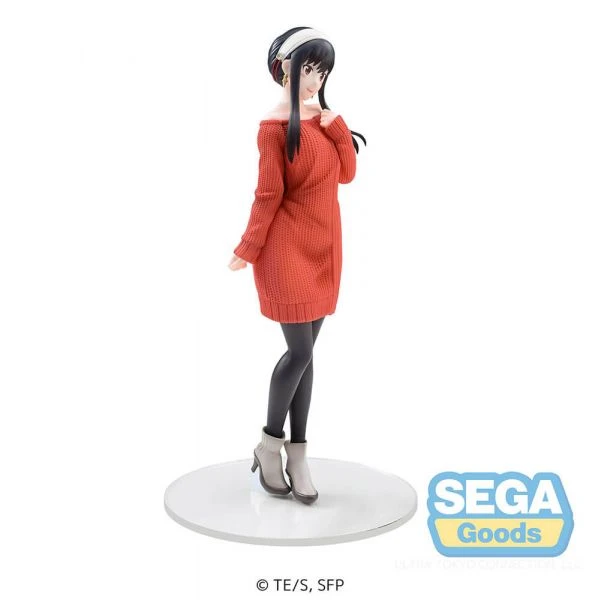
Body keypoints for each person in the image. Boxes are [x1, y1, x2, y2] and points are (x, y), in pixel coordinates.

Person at [228, 27, 365, 504]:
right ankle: (270, 447)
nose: (315, 80)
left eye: (322, 72)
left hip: (325, 249)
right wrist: (248, 247)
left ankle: (298, 454)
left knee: (307, 356)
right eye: (308, 69)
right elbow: (268, 193)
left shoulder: (324, 121)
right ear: (284, 68)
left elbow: (347, 174)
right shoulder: (272, 128)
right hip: (285, 251)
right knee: (299, 353)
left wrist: (338, 128)